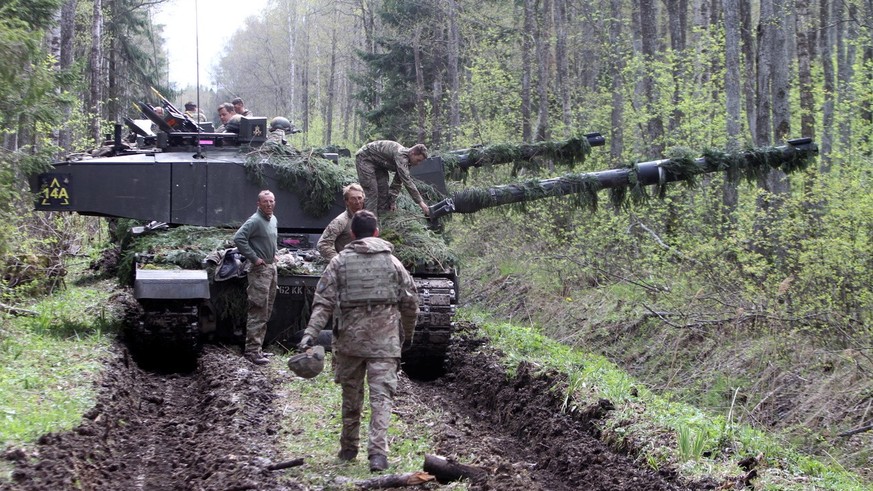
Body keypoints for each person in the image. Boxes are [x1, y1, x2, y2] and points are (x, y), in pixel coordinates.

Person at [299, 210, 419, 472]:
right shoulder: (393, 263)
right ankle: (378, 454)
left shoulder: (339, 262)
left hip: (350, 343)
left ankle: (348, 448)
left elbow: (323, 303)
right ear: (376, 232)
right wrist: (406, 334)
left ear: (352, 234)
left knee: (351, 397)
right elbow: (411, 303)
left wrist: (310, 333)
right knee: (382, 398)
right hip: (385, 343)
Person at [233, 190, 278, 365]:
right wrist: (254, 258)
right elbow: (239, 238)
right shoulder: (255, 220)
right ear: (258, 203)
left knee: (266, 310)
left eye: (271, 201)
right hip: (259, 271)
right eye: (265, 201)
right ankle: (251, 351)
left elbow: (271, 238)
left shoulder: (272, 219)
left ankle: (258, 348)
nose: (269, 204)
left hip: (270, 268)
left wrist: (273, 255)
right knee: (258, 309)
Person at [354, 141, 430, 216]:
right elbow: (407, 182)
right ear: (413, 153)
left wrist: (392, 201)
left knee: (383, 191)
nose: (418, 164)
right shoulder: (401, 156)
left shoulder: (407, 162)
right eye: (418, 160)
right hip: (365, 157)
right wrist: (421, 203)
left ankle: (382, 219)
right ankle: (369, 222)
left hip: (379, 164)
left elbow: (397, 182)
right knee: (372, 192)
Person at [316, 184, 365, 262]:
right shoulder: (340, 221)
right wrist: (340, 262)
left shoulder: (367, 219)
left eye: (359, 198)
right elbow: (323, 244)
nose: (357, 202)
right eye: (353, 199)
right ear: (346, 201)